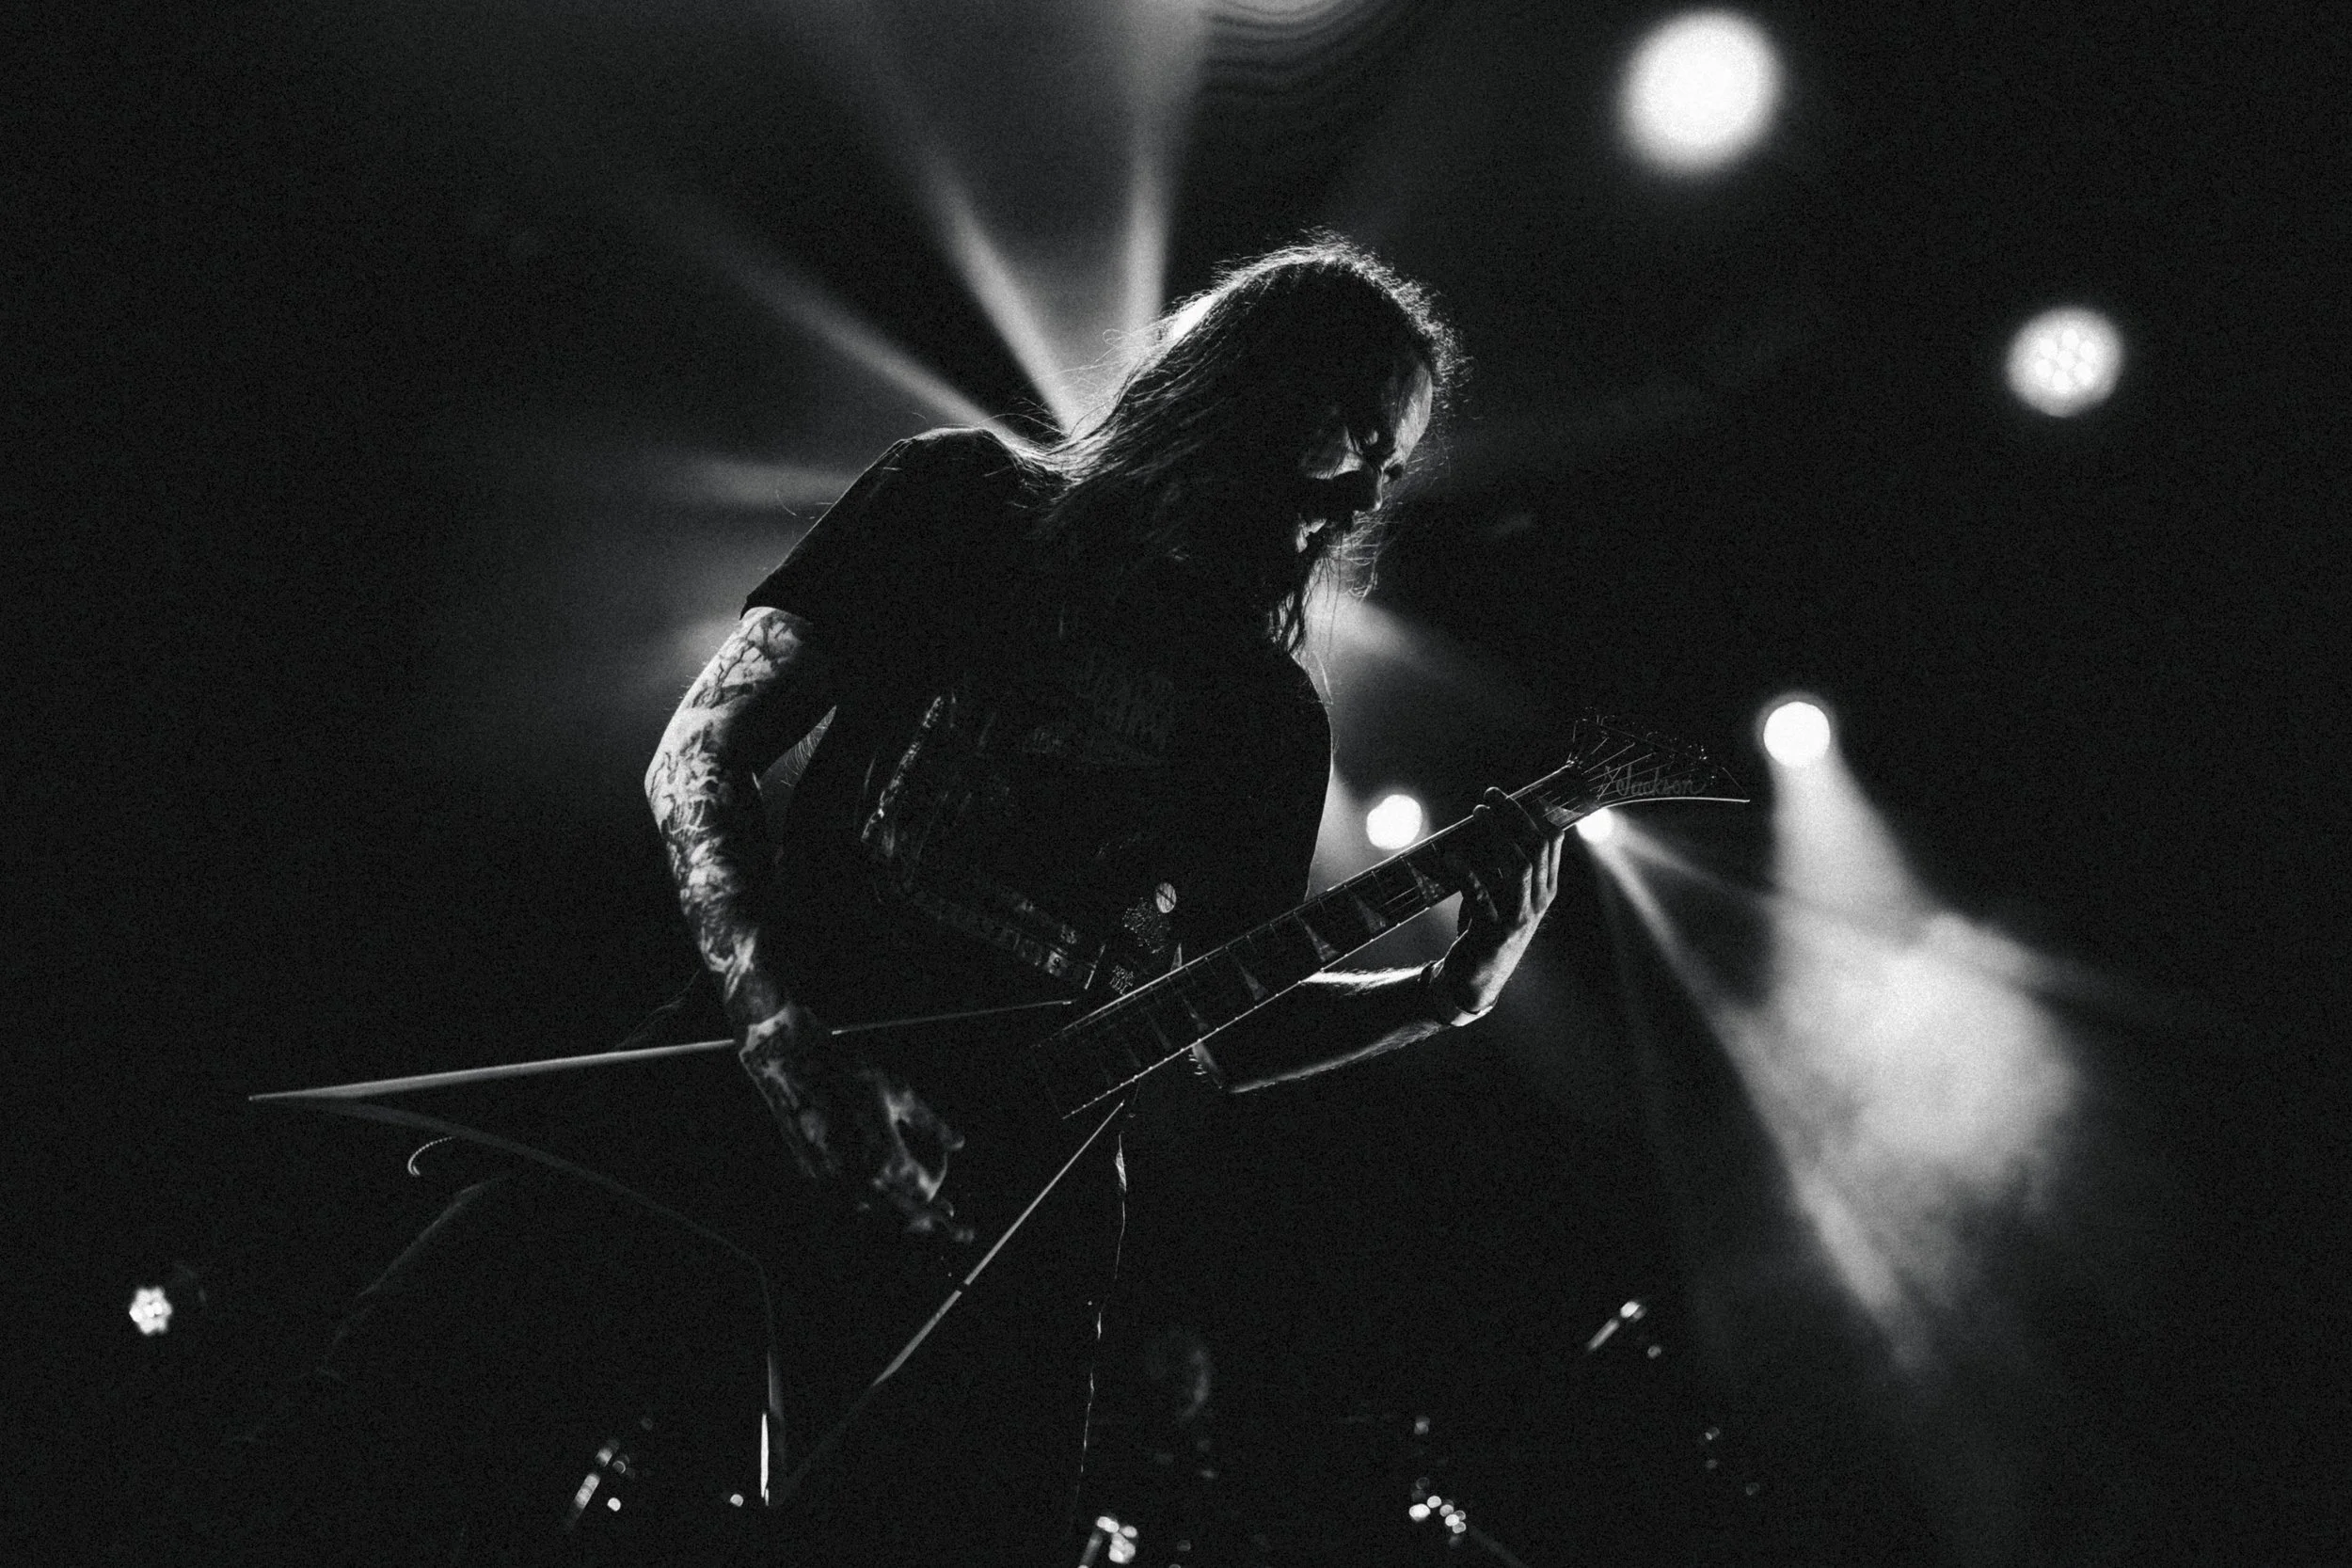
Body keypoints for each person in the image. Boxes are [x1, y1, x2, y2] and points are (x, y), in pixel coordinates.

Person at [639, 234, 1571, 1560]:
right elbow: (700, 752)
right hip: (743, 1114)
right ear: (1246, 383)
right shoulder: (960, 502)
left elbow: (1219, 1029)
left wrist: (1443, 993)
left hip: (1009, 1245)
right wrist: (781, 1033)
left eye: (1392, 462)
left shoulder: (1268, 720)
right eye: (1353, 428)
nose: (1366, 487)